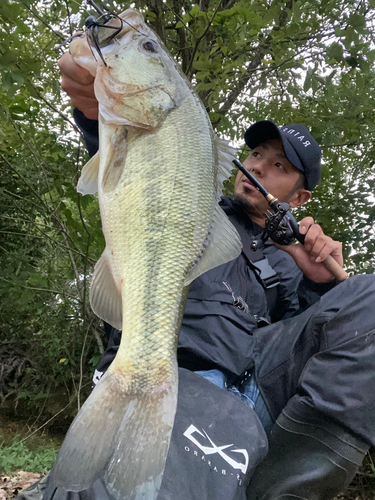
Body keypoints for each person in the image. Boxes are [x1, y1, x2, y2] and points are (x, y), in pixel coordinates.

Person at [25, 53, 374, 500]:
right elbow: (134, 164)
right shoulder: (193, 203)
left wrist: (319, 283)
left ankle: (270, 488)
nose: (261, 168)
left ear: (300, 197)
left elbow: (323, 352)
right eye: (256, 155)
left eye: (280, 167)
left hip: (247, 398)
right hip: (167, 371)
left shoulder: (293, 264)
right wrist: (94, 114)